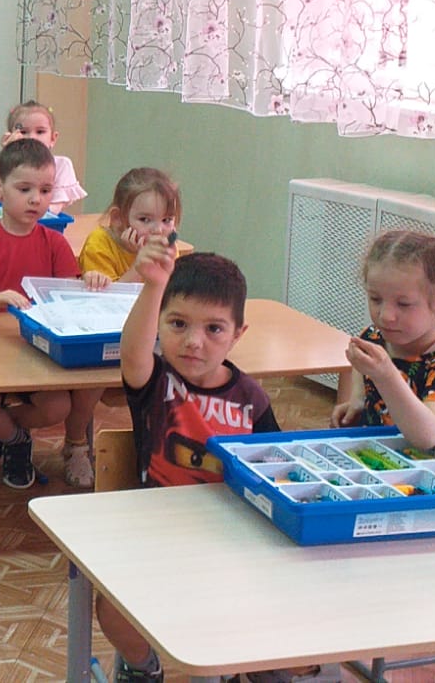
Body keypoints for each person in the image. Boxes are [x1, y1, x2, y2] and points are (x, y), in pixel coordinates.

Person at [328, 229, 435, 683]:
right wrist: (357, 401)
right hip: (388, 477)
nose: (386, 315)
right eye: (375, 299)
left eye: (404, 304)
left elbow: (425, 433)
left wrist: (387, 376)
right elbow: (360, 365)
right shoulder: (377, 337)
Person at [105, 245, 280, 682]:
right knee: (111, 610)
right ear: (159, 322)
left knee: (278, 611)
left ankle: (253, 665)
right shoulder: (156, 381)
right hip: (157, 535)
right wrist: (153, 287)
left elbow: (273, 470)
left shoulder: (251, 399)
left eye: (214, 328)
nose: (193, 341)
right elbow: (133, 354)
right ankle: (143, 667)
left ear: (237, 334)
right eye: (178, 323)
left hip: (230, 537)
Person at [0, 138, 111, 488]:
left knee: (57, 408)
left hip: (37, 349)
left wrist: (91, 281)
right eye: (24, 189)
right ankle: (15, 440)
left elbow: (69, 298)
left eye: (45, 190)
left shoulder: (54, 242)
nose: (36, 199)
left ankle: (3, 431)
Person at [0, 100, 85, 214]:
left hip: (46, 222)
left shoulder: (62, 165)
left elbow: (55, 208)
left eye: (40, 132)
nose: (31, 137)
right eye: (23, 132)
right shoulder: (9, 163)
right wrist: (7, 151)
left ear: (53, 138)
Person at [78, 167, 181, 283]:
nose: (158, 230)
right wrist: (138, 268)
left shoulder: (168, 250)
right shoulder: (99, 244)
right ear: (118, 218)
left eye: (166, 220)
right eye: (145, 219)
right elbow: (107, 294)